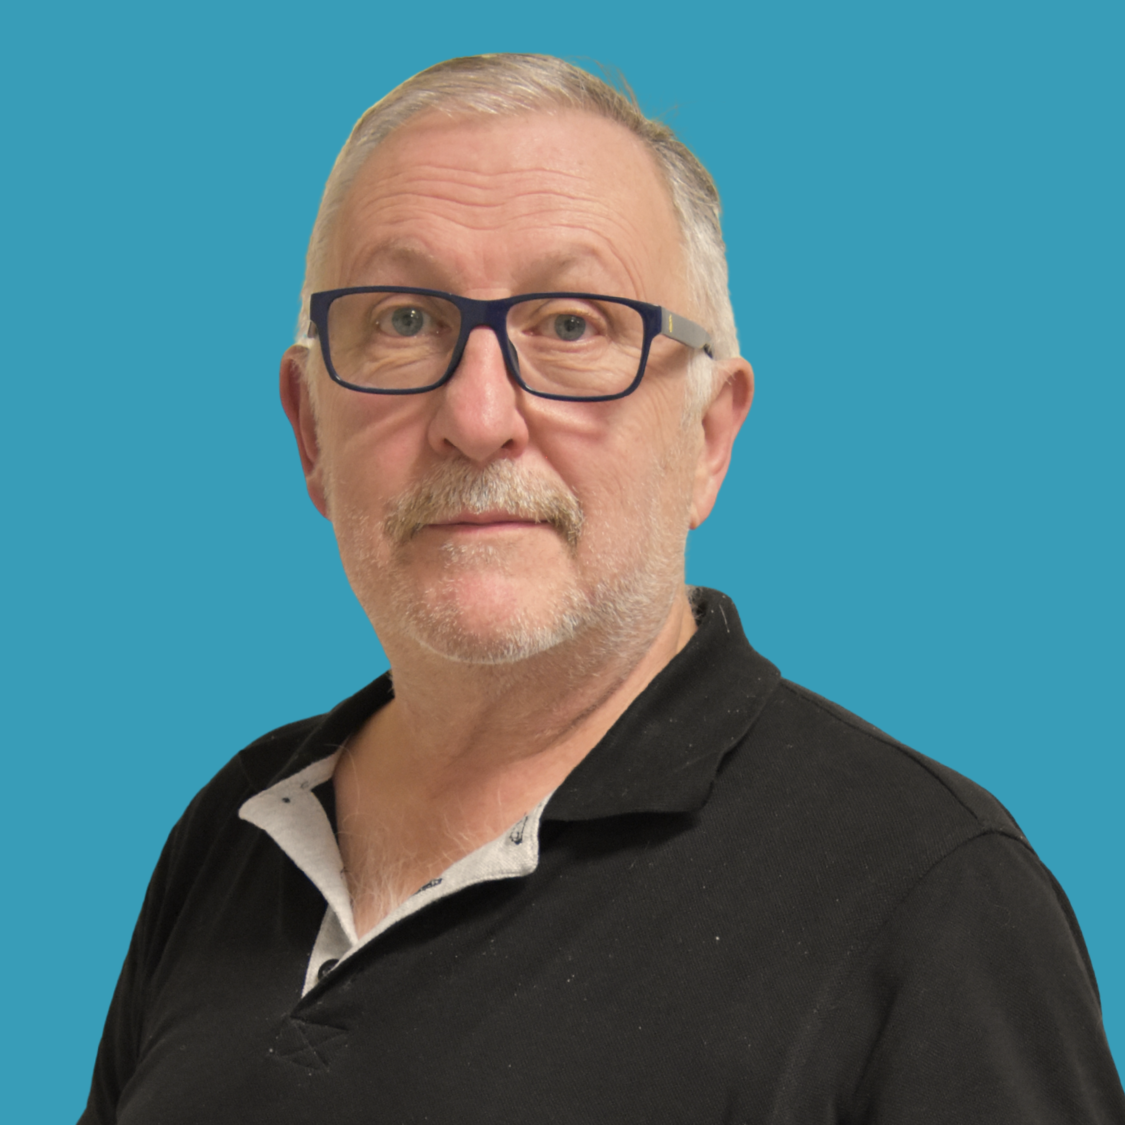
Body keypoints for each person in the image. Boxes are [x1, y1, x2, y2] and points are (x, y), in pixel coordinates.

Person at [82, 54, 1125, 1124]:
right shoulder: (235, 825)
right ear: (310, 429)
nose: (476, 418)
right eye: (403, 322)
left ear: (708, 436)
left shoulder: (931, 897)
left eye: (572, 325)